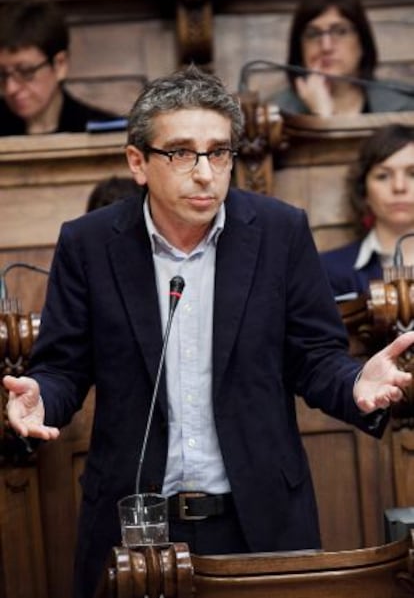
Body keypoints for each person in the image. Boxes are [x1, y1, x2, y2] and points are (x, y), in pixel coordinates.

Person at [3, 66, 412, 598]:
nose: (204, 172)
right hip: (137, 521)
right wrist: (42, 399)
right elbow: (63, 367)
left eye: (219, 152)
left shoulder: (279, 231)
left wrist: (356, 383)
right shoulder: (90, 243)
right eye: (181, 153)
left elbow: (314, 356)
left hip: (259, 517)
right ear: (138, 162)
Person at [274, 0, 414, 116]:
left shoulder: (404, 108)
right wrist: (321, 115)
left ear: (362, 43)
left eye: (340, 32)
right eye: (313, 34)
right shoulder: (278, 114)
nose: (326, 46)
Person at [321, 123, 414, 297]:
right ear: (364, 191)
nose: (399, 187)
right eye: (383, 176)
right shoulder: (326, 270)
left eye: (413, 174)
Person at [0, 0, 117, 136]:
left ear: (60, 65)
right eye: (2, 74)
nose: (10, 88)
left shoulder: (105, 132)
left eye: (26, 72)